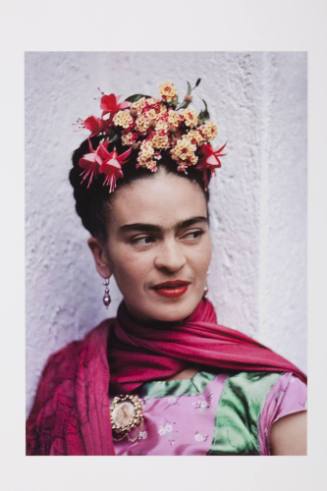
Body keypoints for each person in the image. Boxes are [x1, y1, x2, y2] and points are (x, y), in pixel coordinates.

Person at [26, 80, 307, 456]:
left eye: (191, 233)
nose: (173, 261)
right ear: (101, 256)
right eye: (143, 239)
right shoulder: (65, 384)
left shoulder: (273, 398)